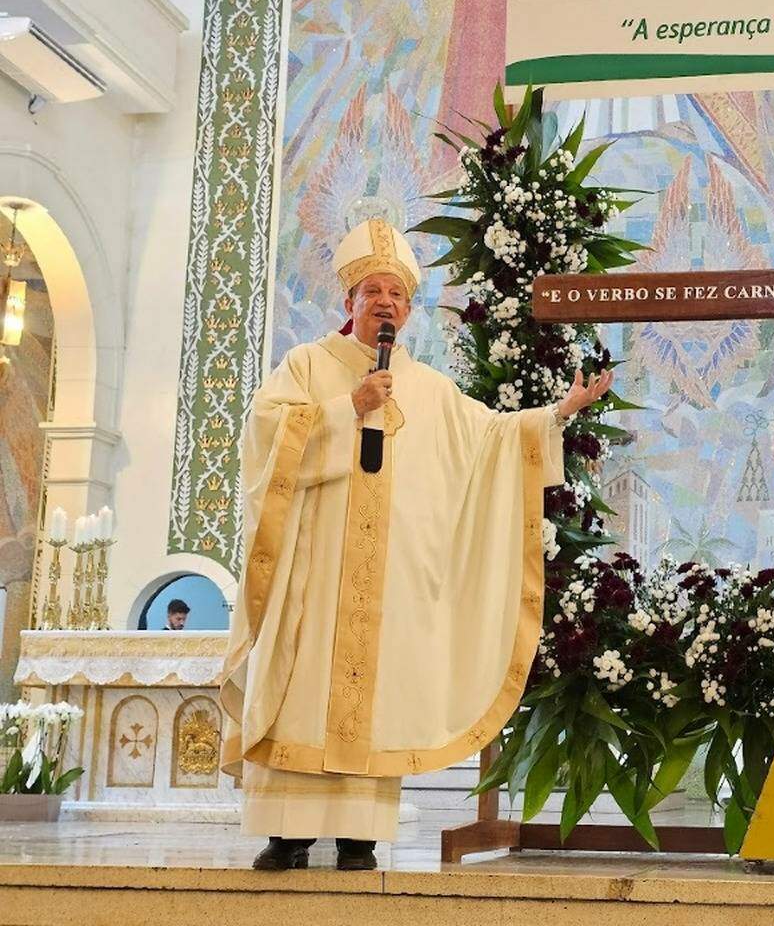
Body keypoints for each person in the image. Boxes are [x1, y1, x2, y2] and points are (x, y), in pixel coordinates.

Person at [219, 218, 611, 871]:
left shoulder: (429, 388)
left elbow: (491, 440)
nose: (385, 302)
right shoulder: (307, 365)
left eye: (397, 294)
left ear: (407, 310)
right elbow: (264, 440)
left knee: (378, 697)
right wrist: (349, 405)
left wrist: (559, 413)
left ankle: (358, 837)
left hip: (387, 586)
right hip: (316, 574)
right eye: (373, 291)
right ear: (349, 301)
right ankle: (287, 834)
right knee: (302, 690)